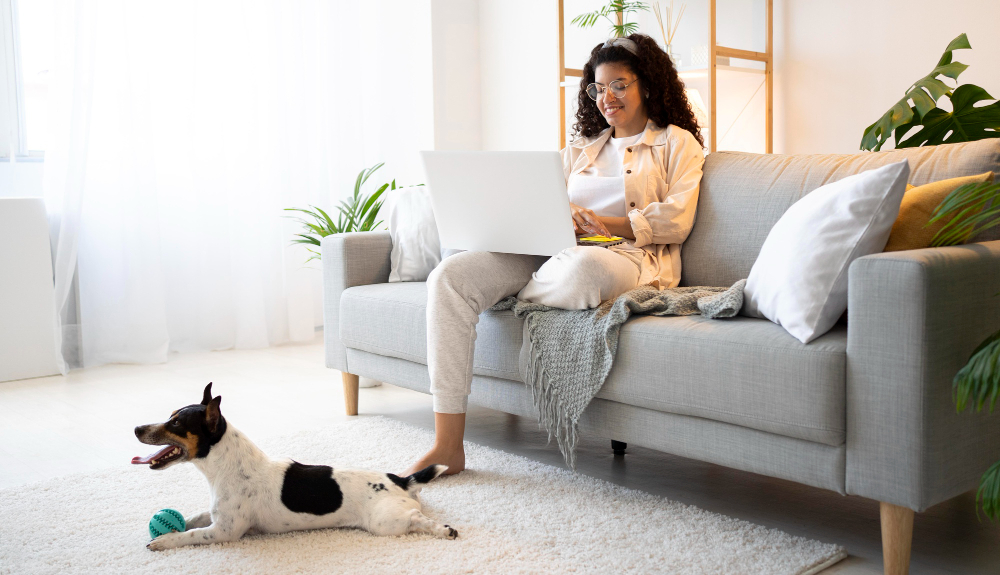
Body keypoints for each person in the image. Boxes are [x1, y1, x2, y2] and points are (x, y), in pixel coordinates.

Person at [405, 33, 706, 475]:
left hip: (621, 256)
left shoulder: (677, 143)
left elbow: (675, 221)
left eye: (619, 85)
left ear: (648, 84)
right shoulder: (582, 148)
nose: (608, 97)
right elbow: (542, 202)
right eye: (599, 88)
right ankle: (447, 445)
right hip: (548, 250)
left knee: (581, 269)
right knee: (450, 277)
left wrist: (602, 225)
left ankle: (509, 293)